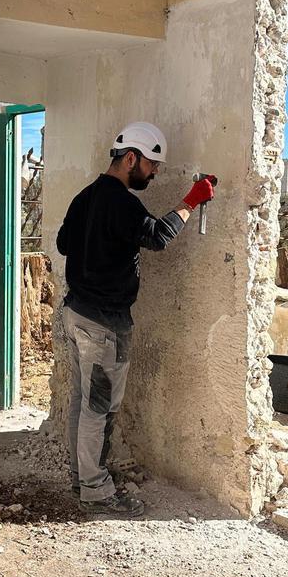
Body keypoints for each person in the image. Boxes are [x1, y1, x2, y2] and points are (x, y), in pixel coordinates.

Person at [55, 121, 215, 516]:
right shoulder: (121, 202)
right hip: (102, 324)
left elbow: (62, 243)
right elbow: (158, 236)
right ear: (131, 159)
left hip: (76, 314)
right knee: (100, 408)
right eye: (152, 164)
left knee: (82, 400)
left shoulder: (85, 197)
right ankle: (95, 489)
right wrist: (191, 201)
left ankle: (82, 476)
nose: (155, 171)